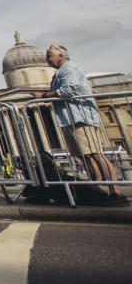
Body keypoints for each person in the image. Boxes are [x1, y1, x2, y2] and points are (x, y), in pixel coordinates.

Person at [36, 45, 127, 206]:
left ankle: (116, 193)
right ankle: (98, 191)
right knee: (87, 157)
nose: (47, 59)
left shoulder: (69, 69)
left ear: (61, 56)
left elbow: (68, 90)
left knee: (96, 154)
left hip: (80, 117)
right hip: (70, 118)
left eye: (49, 56)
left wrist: (44, 95)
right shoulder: (60, 72)